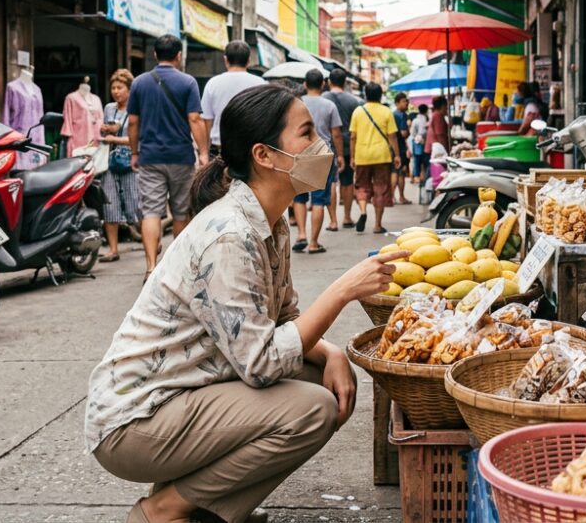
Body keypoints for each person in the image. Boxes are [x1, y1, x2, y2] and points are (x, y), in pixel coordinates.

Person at [86, 84, 408, 523]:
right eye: (306, 133)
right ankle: (165, 510)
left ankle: (205, 507)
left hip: (188, 394)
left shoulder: (270, 223)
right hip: (137, 421)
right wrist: (342, 291)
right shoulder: (229, 235)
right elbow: (260, 363)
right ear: (265, 155)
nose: (321, 146)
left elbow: (285, 320)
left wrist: (331, 352)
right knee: (313, 409)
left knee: (319, 374)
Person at [128, 34, 211, 277]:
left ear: (155, 55)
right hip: (181, 156)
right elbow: (194, 119)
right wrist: (204, 152)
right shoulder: (188, 82)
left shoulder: (140, 83)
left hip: (150, 157)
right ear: (178, 55)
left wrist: (134, 152)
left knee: (151, 212)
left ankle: (151, 267)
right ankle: (176, 268)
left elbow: (133, 122)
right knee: (181, 211)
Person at [291, 69, 343, 254]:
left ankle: (302, 234)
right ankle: (313, 243)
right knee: (319, 199)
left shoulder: (296, 103)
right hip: (323, 154)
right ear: (323, 84)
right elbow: (336, 133)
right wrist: (340, 156)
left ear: (305, 84)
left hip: (299, 153)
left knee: (299, 197)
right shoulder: (329, 105)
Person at [99, 69, 142, 263]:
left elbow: (139, 138)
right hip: (110, 162)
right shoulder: (109, 108)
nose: (116, 91)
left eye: (120, 88)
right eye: (113, 88)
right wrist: (105, 131)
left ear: (129, 90)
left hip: (131, 161)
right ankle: (113, 249)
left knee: (136, 204)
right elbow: (105, 132)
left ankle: (150, 238)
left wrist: (116, 138)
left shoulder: (137, 108)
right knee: (110, 205)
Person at [349, 82, 401, 234]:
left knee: (362, 186)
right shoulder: (386, 111)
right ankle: (377, 224)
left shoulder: (358, 112)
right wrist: (397, 155)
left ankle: (363, 212)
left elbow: (353, 137)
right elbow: (392, 137)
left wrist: (352, 156)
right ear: (380, 95)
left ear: (366, 95)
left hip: (362, 155)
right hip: (382, 155)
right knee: (380, 189)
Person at [200, 40, 266, 150]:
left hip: (221, 147)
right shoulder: (260, 84)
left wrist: (205, 150)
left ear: (226, 60)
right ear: (249, 60)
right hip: (250, 147)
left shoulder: (213, 83)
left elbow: (207, 119)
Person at [323, 70, 363, 228]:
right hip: (347, 146)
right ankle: (347, 217)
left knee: (331, 183)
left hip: (326, 146)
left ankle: (333, 220)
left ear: (329, 81)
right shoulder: (353, 101)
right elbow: (354, 128)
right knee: (347, 182)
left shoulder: (323, 99)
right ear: (345, 82)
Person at [390, 92, 411, 205]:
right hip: (400, 148)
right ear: (397, 103)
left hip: (393, 147)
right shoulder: (402, 115)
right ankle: (399, 197)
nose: (407, 103)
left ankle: (393, 197)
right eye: (404, 101)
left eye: (407, 101)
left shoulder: (393, 114)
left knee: (395, 171)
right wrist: (408, 131)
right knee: (399, 172)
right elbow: (403, 133)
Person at [410, 104, 429, 186]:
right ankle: (424, 178)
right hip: (425, 143)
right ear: (426, 110)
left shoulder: (415, 120)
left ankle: (417, 177)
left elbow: (412, 133)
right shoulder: (427, 120)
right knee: (425, 162)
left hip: (417, 143)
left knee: (417, 161)